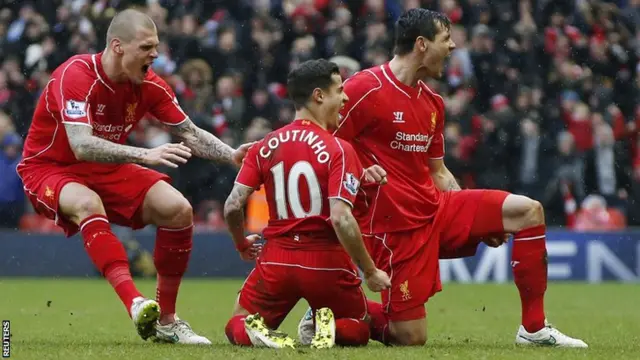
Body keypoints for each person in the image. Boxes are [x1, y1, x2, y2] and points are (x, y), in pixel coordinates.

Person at [298, 9, 587, 348]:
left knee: (528, 211)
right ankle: (333, 310)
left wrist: (475, 220)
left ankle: (534, 329)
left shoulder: (433, 102)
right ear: (421, 44)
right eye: (446, 39)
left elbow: (438, 172)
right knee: (409, 338)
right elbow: (321, 140)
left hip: (435, 207)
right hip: (394, 227)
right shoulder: (365, 87)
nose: (452, 47)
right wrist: (358, 171)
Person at [16, 9, 252, 344]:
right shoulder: (76, 74)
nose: (155, 54)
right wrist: (145, 154)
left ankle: (167, 321)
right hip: (48, 168)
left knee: (178, 210)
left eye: (156, 46)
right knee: (87, 202)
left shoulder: (150, 85)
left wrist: (232, 155)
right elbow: (81, 145)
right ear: (117, 47)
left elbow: (190, 133)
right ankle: (135, 302)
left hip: (105, 168)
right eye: (146, 47)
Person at [223, 59, 391, 349]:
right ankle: (325, 328)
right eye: (340, 90)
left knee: (237, 322)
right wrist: (371, 271)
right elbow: (340, 218)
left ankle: (252, 332)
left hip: (276, 260)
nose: (346, 97)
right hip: (325, 262)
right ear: (319, 95)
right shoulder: (339, 148)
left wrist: (241, 243)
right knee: (358, 327)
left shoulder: (265, 144)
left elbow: (232, 206)